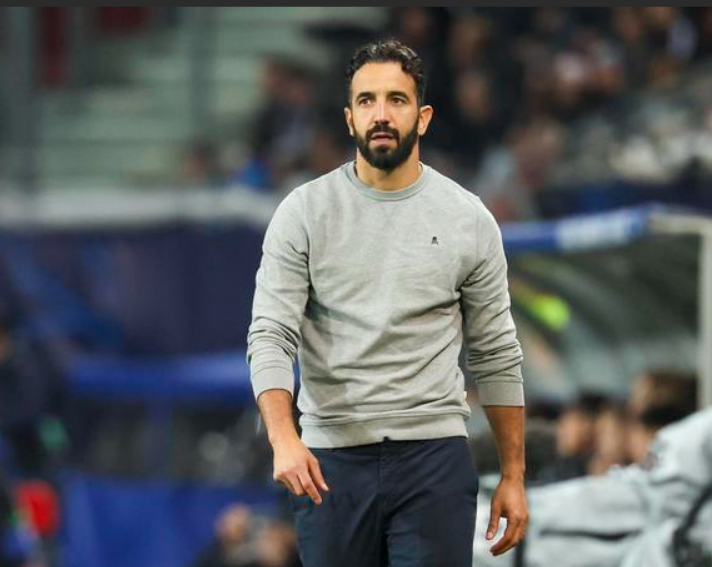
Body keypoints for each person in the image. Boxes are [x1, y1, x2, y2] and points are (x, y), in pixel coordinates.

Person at [247, 39, 528, 567]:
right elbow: (270, 334)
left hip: (434, 459)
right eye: (367, 100)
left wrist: (513, 474)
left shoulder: (469, 219)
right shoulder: (303, 213)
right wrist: (284, 439)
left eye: (396, 100)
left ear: (423, 117)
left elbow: (495, 352)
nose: (381, 114)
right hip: (330, 463)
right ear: (349, 117)